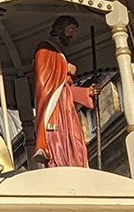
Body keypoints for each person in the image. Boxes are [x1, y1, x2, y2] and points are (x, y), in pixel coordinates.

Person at [33, 15, 100, 167]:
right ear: (60, 28)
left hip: (66, 108)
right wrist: (66, 68)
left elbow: (65, 90)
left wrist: (87, 92)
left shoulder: (58, 52)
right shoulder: (45, 48)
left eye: (74, 31)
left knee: (74, 140)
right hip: (54, 109)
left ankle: (74, 164)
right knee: (58, 141)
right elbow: (44, 76)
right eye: (70, 29)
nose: (72, 34)